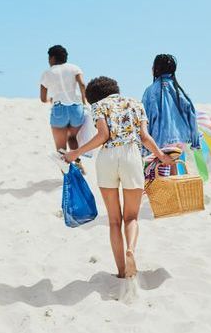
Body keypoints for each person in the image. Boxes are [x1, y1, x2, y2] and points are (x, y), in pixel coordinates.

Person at [63, 76, 176, 279]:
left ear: (93, 97)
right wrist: (161, 156)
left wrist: (75, 153)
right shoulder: (135, 104)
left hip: (107, 158)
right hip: (131, 156)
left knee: (114, 221)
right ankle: (130, 249)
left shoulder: (98, 106)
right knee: (131, 217)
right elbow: (144, 137)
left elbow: (102, 135)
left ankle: (122, 272)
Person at [142, 54, 200, 157]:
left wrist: (144, 147)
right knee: (177, 167)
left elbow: (145, 119)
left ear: (156, 69)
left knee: (161, 171)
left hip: (159, 141)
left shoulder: (150, 91)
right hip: (180, 141)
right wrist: (195, 142)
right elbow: (191, 115)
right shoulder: (179, 90)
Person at [39, 44, 88, 152]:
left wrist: (49, 100)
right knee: (72, 138)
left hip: (59, 109)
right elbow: (82, 85)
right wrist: (84, 102)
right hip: (76, 108)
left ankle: (68, 168)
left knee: (61, 150)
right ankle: (77, 163)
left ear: (52, 58)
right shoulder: (75, 68)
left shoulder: (47, 73)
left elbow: (43, 98)